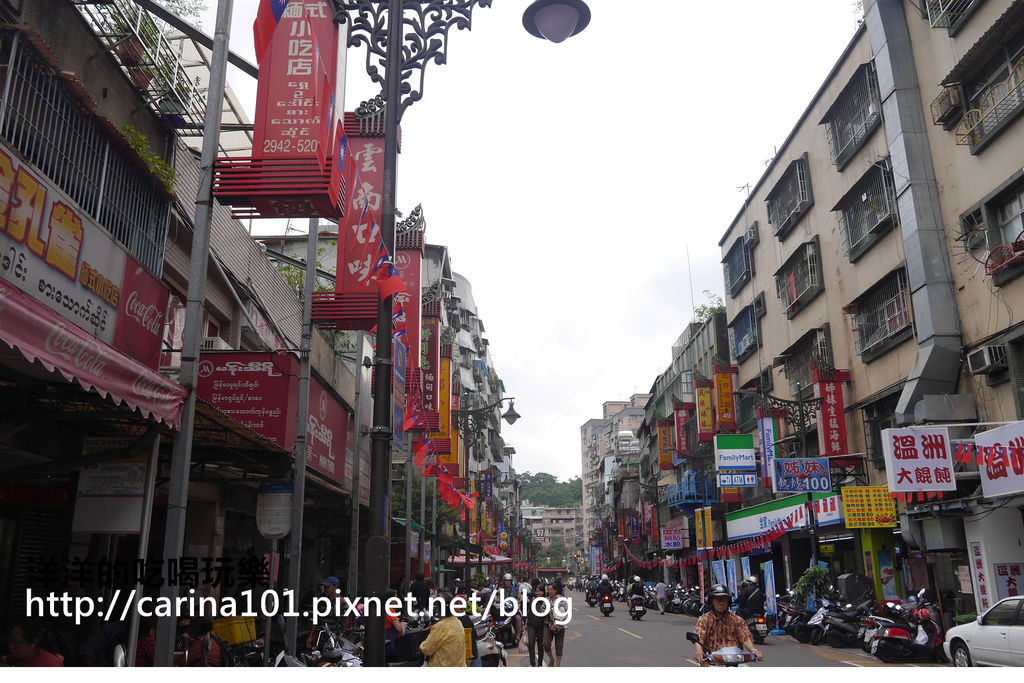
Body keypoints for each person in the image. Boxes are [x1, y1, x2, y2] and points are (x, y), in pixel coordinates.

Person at [693, 584, 763, 666]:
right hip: (712, 663)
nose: (721, 603)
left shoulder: (737, 620)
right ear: (711, 601)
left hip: (735, 662)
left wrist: (754, 650)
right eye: (718, 599)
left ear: (728, 602)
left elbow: (745, 638)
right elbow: (699, 637)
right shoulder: (704, 619)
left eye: (724, 600)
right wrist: (699, 651)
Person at [418, 597, 467, 667]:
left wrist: (422, 645)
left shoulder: (440, 626)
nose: (436, 610)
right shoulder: (458, 622)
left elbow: (427, 649)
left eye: (437, 608)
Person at [542, 583, 566, 667]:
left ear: (555, 590)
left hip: (559, 625)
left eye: (551, 589)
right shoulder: (546, 600)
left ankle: (557, 666)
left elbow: (564, 611)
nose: (549, 591)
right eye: (548, 589)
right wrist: (545, 611)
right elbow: (542, 609)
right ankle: (552, 659)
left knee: (559, 647)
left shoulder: (561, 599)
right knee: (546, 643)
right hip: (548, 624)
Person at [524, 579, 546, 667]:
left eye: (539, 591)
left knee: (540, 645)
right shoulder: (533, 600)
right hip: (531, 625)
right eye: (536, 591)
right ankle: (532, 664)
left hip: (541, 626)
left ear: (543, 592)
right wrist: (526, 624)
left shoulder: (546, 602)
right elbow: (529, 612)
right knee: (531, 644)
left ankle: (540, 663)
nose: (537, 593)